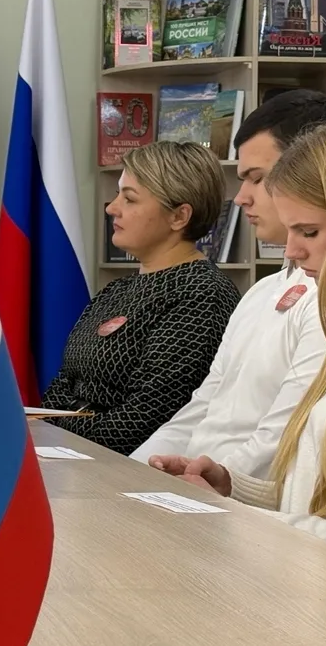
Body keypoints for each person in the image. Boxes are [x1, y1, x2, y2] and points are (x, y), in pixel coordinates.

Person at [164, 121, 326, 572]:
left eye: (309, 232)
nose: (292, 252)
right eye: (291, 231)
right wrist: (234, 489)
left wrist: (242, 523)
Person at [134, 90, 326, 473]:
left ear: (309, 172)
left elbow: (285, 434)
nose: (240, 198)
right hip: (202, 486)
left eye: (257, 179)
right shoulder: (259, 293)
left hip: (238, 495)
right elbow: (203, 405)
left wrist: (213, 483)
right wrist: (136, 471)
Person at [42, 140, 240, 455]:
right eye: (117, 194)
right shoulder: (116, 290)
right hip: (68, 454)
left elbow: (142, 423)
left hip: (126, 469)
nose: (111, 208)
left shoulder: (202, 295)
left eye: (129, 198)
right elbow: (64, 383)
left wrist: (55, 433)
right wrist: (47, 430)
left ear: (179, 216)